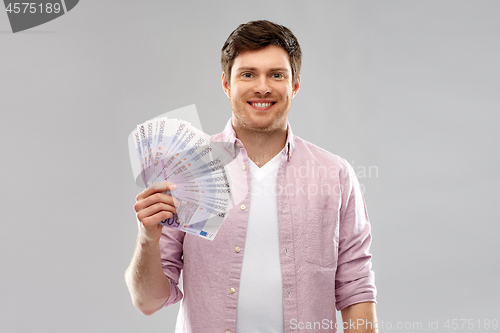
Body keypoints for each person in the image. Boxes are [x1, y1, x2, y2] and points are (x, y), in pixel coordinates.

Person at [125, 20, 378, 333]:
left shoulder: (335, 175)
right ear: (227, 84)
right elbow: (147, 302)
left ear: (295, 84)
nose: (262, 87)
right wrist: (147, 238)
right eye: (248, 74)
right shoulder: (186, 170)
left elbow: (356, 288)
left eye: (276, 74)